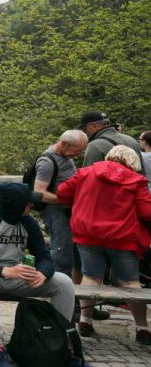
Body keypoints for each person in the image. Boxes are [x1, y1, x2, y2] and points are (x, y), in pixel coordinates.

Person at [0, 182, 75, 367]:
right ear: (15, 204)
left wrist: (42, 273)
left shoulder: (28, 222)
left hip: (17, 276)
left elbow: (44, 257)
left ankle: (57, 344)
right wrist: (4, 271)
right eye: (27, 203)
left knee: (63, 282)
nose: (31, 206)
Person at [57, 145, 151, 345]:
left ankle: (85, 321)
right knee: (130, 281)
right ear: (132, 161)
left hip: (87, 234)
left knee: (91, 277)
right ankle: (142, 328)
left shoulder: (85, 173)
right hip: (122, 237)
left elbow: (63, 192)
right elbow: (146, 213)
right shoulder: (136, 180)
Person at [32, 130, 88, 282]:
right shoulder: (47, 162)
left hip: (70, 212)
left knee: (73, 254)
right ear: (64, 144)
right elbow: (39, 193)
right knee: (61, 255)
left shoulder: (66, 156)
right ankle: (56, 291)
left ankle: (73, 295)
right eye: (77, 151)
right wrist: (67, 200)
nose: (79, 154)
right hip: (55, 214)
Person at [80, 111, 145, 173]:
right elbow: (141, 171)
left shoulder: (95, 146)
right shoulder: (131, 140)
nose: (85, 132)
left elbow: (88, 177)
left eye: (84, 128)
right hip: (134, 184)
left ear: (93, 125)